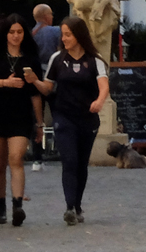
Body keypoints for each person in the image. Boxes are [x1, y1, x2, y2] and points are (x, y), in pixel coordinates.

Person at [26, 15, 109, 225]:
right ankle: (69, 206)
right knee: (69, 160)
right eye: (63, 35)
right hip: (63, 116)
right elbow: (48, 87)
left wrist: (99, 101)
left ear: (79, 36)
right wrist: (35, 81)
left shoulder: (95, 60)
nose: (63, 39)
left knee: (81, 163)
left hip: (87, 117)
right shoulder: (57, 59)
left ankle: (78, 205)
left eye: (68, 35)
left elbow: (104, 85)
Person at [0, 14, 43, 226]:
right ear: (5, 33)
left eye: (19, 32)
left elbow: (35, 93)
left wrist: (40, 123)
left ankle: (17, 205)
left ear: (25, 34)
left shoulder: (31, 58)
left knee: (16, 158)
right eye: (12, 32)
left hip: (20, 115)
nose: (15, 36)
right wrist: (5, 83)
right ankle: (0, 207)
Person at [29, 4, 61, 171]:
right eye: (51, 14)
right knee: (59, 115)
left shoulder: (30, 34)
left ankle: (37, 158)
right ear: (47, 16)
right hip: (53, 80)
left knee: (37, 118)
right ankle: (63, 151)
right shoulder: (55, 31)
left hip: (35, 80)